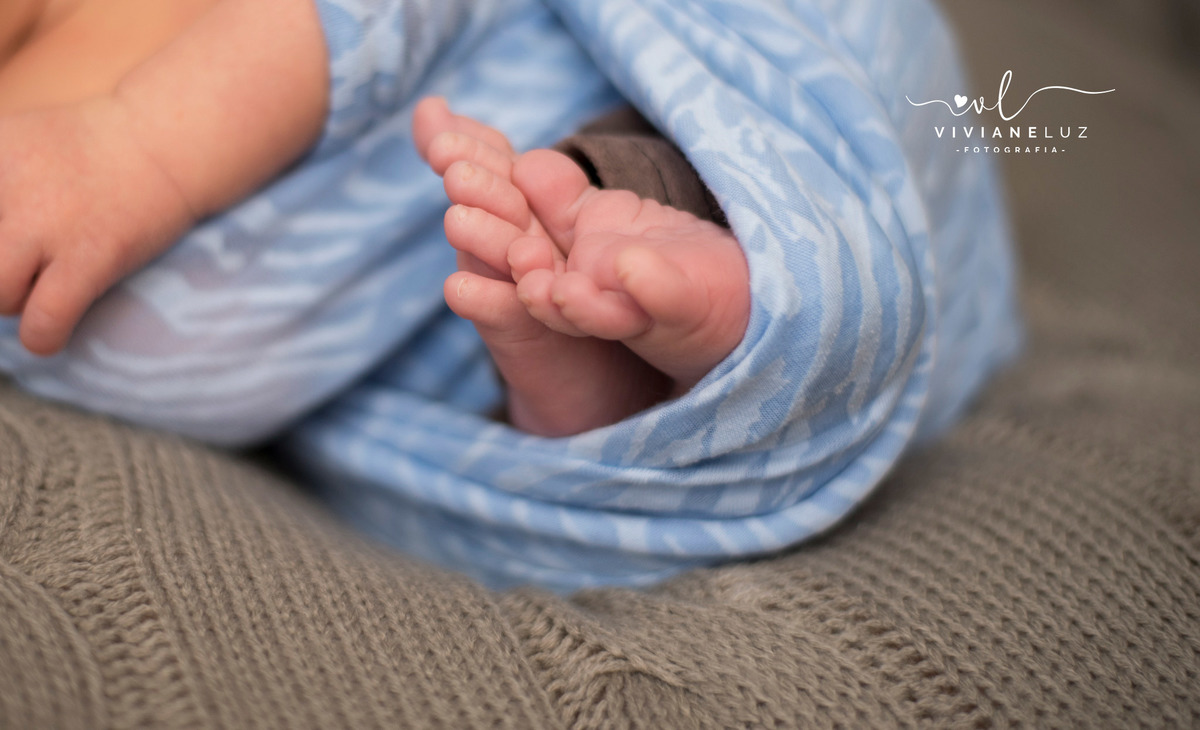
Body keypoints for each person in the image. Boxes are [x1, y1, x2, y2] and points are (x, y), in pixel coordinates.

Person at [0, 0, 748, 438]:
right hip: (408, 357)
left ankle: (660, 252)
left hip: (547, 76)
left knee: (605, 208)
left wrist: (128, 142)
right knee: (546, 310)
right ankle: (595, 393)